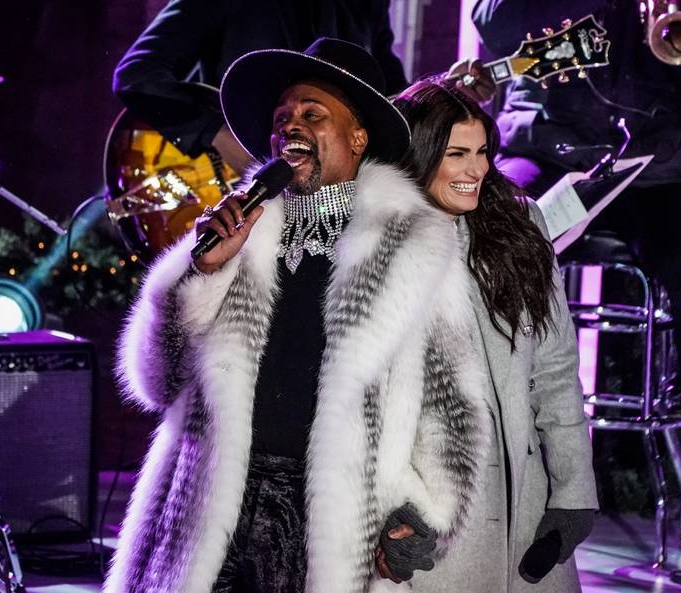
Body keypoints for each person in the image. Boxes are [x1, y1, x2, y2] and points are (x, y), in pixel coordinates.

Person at [104, 39, 490, 593]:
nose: (291, 126)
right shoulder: (236, 230)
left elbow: (453, 408)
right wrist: (201, 273)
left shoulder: (414, 247)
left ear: (358, 138)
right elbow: (158, 383)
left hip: (323, 517)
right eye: (282, 117)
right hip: (209, 502)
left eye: (313, 114)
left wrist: (423, 517)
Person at [471, 0, 681, 416]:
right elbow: (494, 22)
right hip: (547, 146)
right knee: (496, 223)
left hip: (663, 162)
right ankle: (493, 380)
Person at [392, 80, 599, 593]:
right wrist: (391, 512)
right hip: (426, 516)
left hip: (523, 507)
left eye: (483, 152)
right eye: (457, 154)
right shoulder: (375, 243)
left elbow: (554, 368)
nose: (478, 170)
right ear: (417, 154)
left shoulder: (519, 225)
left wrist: (573, 491)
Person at [112, 0, 409, 171]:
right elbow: (137, 74)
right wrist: (215, 134)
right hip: (226, 189)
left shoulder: (366, 5)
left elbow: (394, 92)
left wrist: (440, 90)